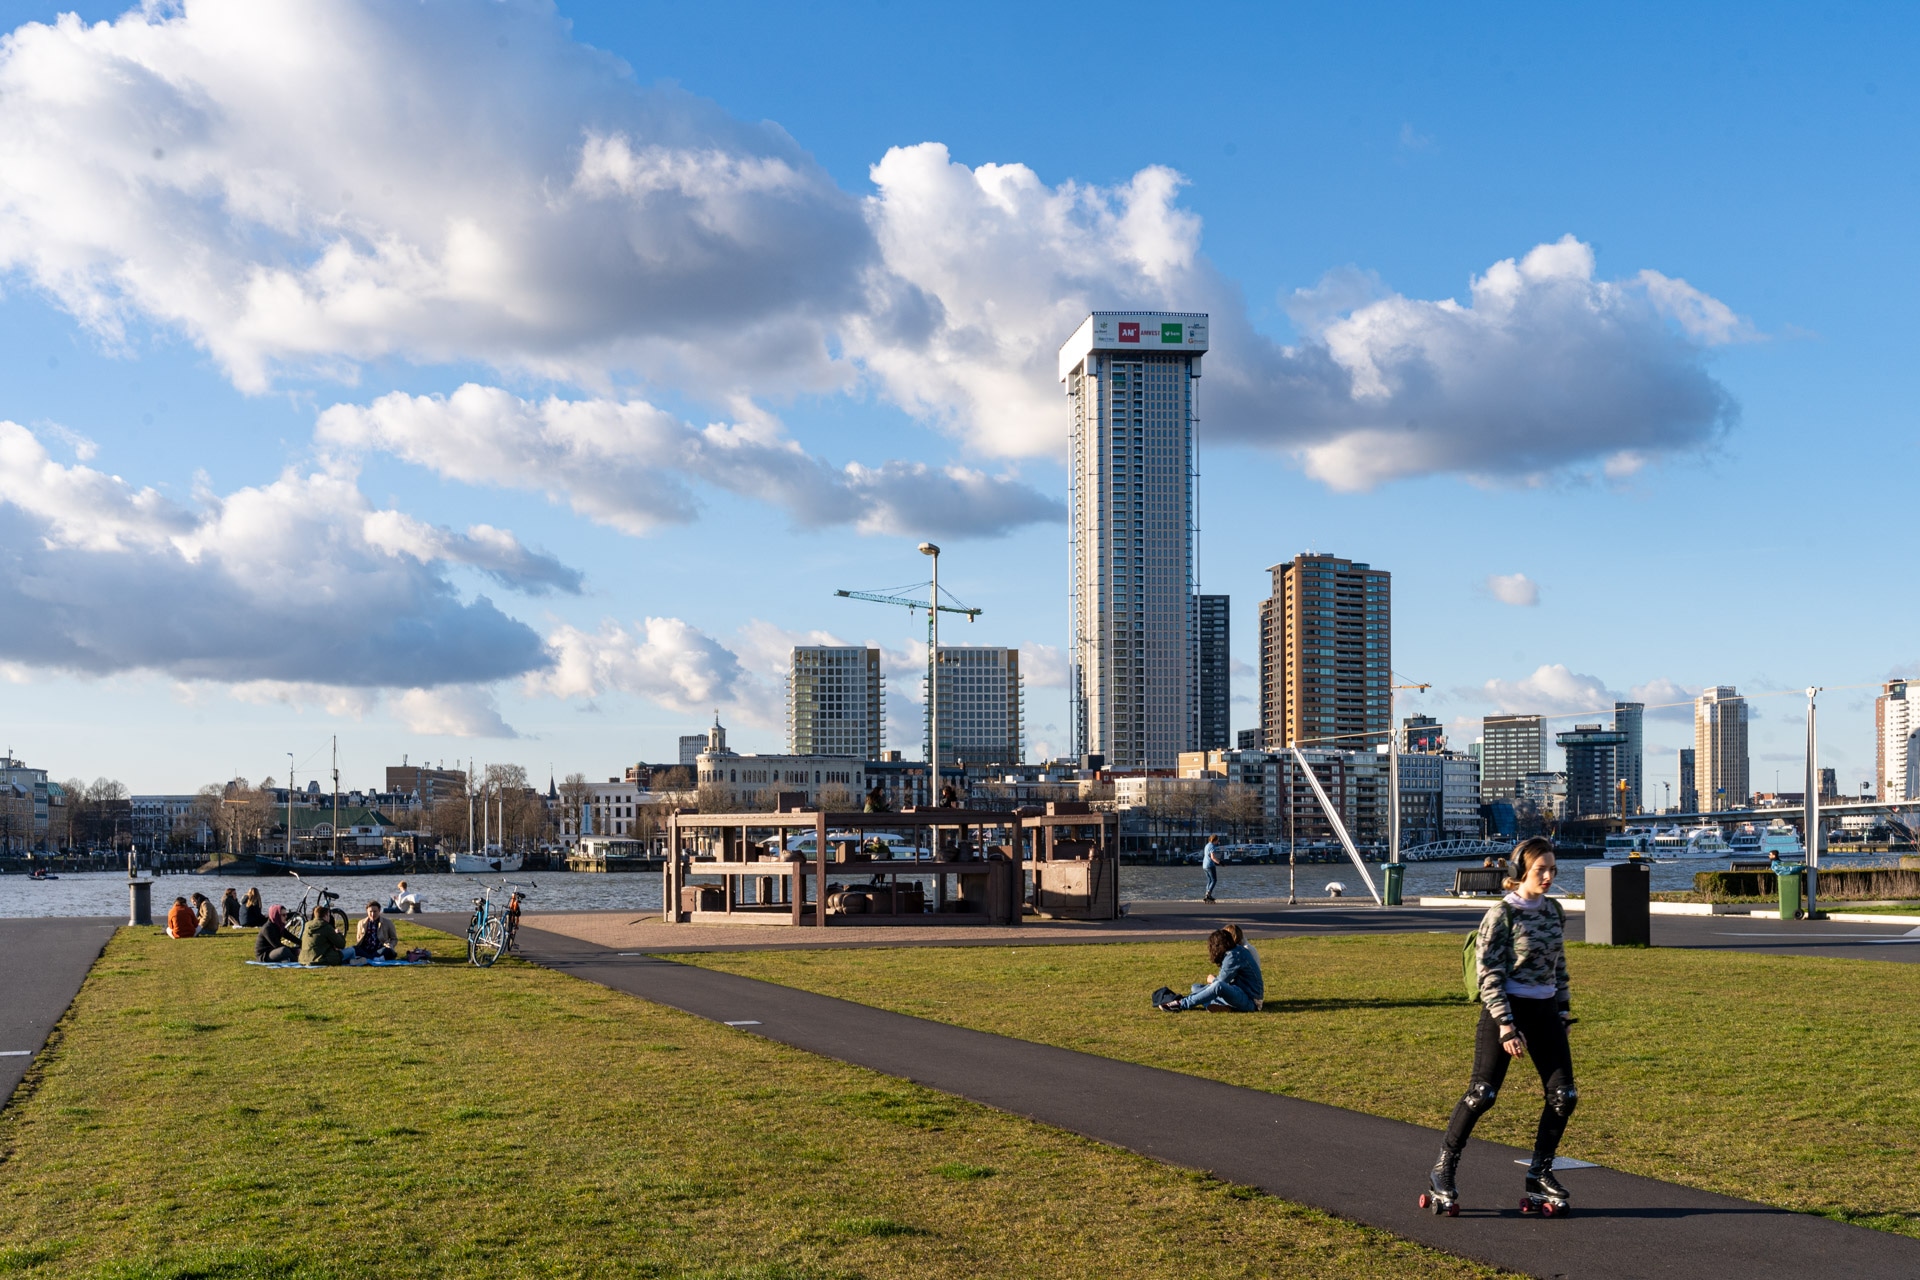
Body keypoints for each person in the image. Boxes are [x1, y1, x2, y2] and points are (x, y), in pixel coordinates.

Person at [1425, 836, 1577, 1217]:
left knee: (1564, 1096)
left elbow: (1558, 966)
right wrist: (1507, 1027)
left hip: (1545, 1013)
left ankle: (1539, 1173)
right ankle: (1443, 1168)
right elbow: (1488, 974)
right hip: (1506, 1010)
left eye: (1552, 869)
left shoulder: (1554, 911)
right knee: (1483, 1094)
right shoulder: (1502, 915)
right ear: (1519, 872)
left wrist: (1562, 1011)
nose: (1548, 876)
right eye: (1541, 869)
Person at [1160, 928, 1261, 1012]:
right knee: (1196, 987)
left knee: (1217, 985)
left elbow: (1220, 983)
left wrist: (1212, 979)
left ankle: (1181, 1004)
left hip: (1250, 1001)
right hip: (1238, 992)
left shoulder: (1234, 956)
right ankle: (1224, 1007)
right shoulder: (1234, 952)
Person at [1200, 835, 1220, 903]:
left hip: (1204, 865)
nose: (1218, 841)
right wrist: (1220, 862)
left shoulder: (1207, 845)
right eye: (1217, 840)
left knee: (1209, 880)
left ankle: (1207, 894)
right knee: (1214, 880)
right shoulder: (1212, 846)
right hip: (1210, 865)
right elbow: (1213, 857)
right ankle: (1208, 894)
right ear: (1215, 840)